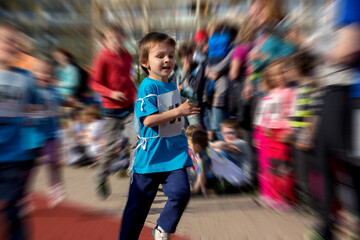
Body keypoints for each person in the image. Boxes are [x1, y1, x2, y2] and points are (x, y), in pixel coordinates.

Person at [119, 32, 200, 240]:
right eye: (160, 56)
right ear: (145, 62)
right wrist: (179, 111)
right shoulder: (147, 86)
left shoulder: (171, 83)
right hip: (150, 157)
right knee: (136, 210)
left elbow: (170, 111)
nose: (167, 60)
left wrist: (178, 97)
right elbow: (148, 120)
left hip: (174, 153)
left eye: (171, 55)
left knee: (181, 192)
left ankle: (162, 227)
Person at [0, 21, 39, 240]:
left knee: (13, 209)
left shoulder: (26, 79)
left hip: (14, 156)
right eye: (5, 40)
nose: (10, 45)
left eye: (14, 41)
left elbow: (34, 110)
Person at [90, 24, 138, 199]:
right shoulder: (102, 58)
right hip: (110, 111)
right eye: (112, 39)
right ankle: (101, 176)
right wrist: (111, 93)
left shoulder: (127, 56)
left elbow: (128, 80)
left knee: (136, 139)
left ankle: (136, 179)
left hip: (128, 108)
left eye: (119, 38)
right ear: (105, 41)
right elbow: (94, 84)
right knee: (110, 148)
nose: (116, 42)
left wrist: (136, 95)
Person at [253, 59, 295, 210]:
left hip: (281, 133)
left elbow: (292, 113)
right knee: (270, 166)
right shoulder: (270, 94)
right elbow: (263, 114)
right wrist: (258, 133)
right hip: (268, 133)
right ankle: (272, 195)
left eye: (282, 72)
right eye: (276, 74)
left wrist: (290, 130)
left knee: (282, 166)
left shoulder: (291, 93)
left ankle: (286, 198)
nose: (280, 77)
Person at [34, 57, 67, 207]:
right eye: (42, 72)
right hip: (34, 134)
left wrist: (74, 102)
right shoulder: (32, 91)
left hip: (52, 134)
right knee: (30, 167)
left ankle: (55, 187)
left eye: (48, 73)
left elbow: (63, 101)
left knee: (53, 161)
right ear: (35, 73)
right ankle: (22, 196)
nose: (45, 76)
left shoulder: (54, 90)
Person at [210, 118, 252, 183]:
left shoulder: (241, 143)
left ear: (238, 133)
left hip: (244, 177)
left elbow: (220, 145)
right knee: (212, 154)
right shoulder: (228, 146)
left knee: (219, 154)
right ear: (221, 133)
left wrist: (208, 145)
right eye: (225, 133)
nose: (228, 135)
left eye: (231, 132)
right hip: (235, 175)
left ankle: (210, 179)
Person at [177, 42, 206, 126]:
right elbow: (175, 85)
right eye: (183, 57)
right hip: (181, 106)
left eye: (187, 56)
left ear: (192, 54)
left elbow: (197, 87)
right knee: (183, 133)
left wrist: (187, 73)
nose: (185, 59)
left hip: (194, 107)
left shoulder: (199, 68)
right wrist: (177, 89)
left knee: (195, 132)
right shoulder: (178, 69)